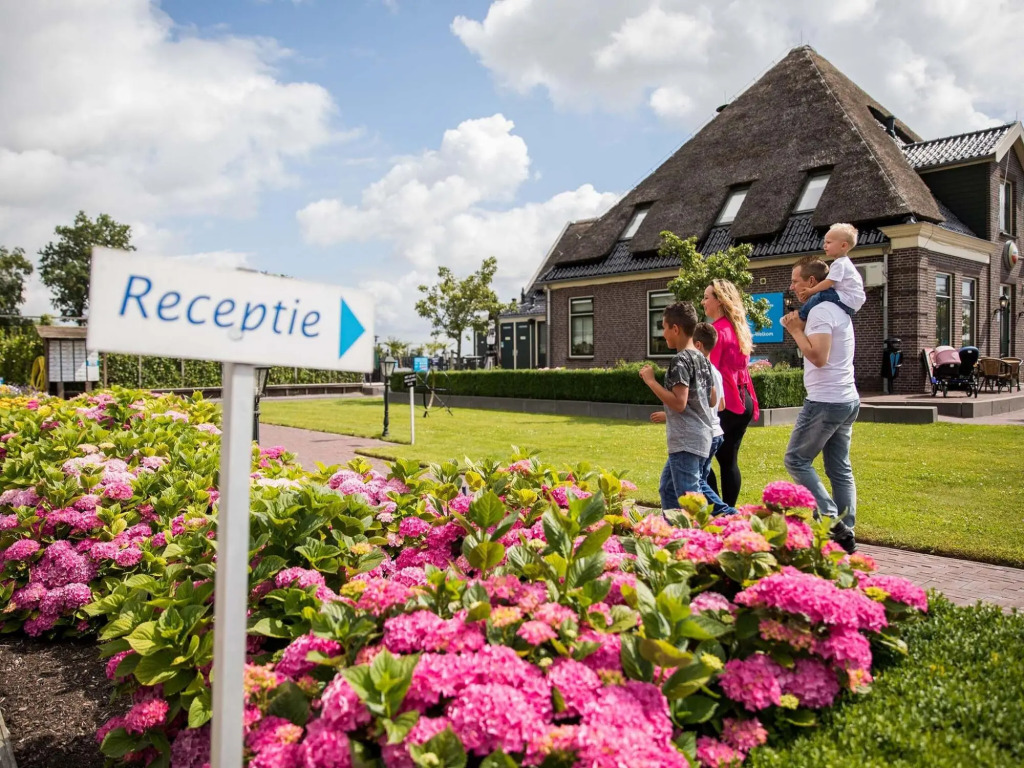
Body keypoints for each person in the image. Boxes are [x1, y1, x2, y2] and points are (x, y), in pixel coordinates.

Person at [781, 257, 859, 554]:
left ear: (811, 282)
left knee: (796, 460)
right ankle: (845, 532)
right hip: (846, 398)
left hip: (826, 400)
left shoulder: (821, 310)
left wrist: (795, 331)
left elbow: (818, 357)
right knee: (839, 468)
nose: (792, 287)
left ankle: (830, 520)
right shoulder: (839, 309)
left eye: (795, 281)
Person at [640, 302, 715, 512]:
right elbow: (711, 399)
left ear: (675, 329)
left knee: (690, 501)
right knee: (668, 489)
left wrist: (651, 381)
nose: (663, 334)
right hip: (702, 437)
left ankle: (695, 533)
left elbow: (679, 403)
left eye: (664, 328)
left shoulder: (680, 360)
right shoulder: (702, 359)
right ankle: (673, 529)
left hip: (685, 441)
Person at [701, 279, 760, 507]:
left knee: (700, 458)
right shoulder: (739, 329)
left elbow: (709, 373)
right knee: (728, 461)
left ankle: (719, 510)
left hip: (725, 403)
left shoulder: (715, 332)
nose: (703, 302)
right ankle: (729, 512)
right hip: (744, 400)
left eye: (706, 297)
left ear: (719, 301)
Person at [692, 322, 735, 515]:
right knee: (702, 478)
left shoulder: (700, 370)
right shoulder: (715, 371)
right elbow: (722, 405)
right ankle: (710, 515)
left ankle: (728, 513)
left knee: (698, 480)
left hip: (706, 432)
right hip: (717, 433)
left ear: (698, 345)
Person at [796, 223, 866, 320]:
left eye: (828, 242)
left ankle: (801, 316)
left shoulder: (839, 263)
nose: (824, 246)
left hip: (846, 299)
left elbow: (828, 283)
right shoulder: (845, 263)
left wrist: (811, 291)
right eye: (825, 242)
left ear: (843, 245)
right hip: (852, 303)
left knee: (820, 295)